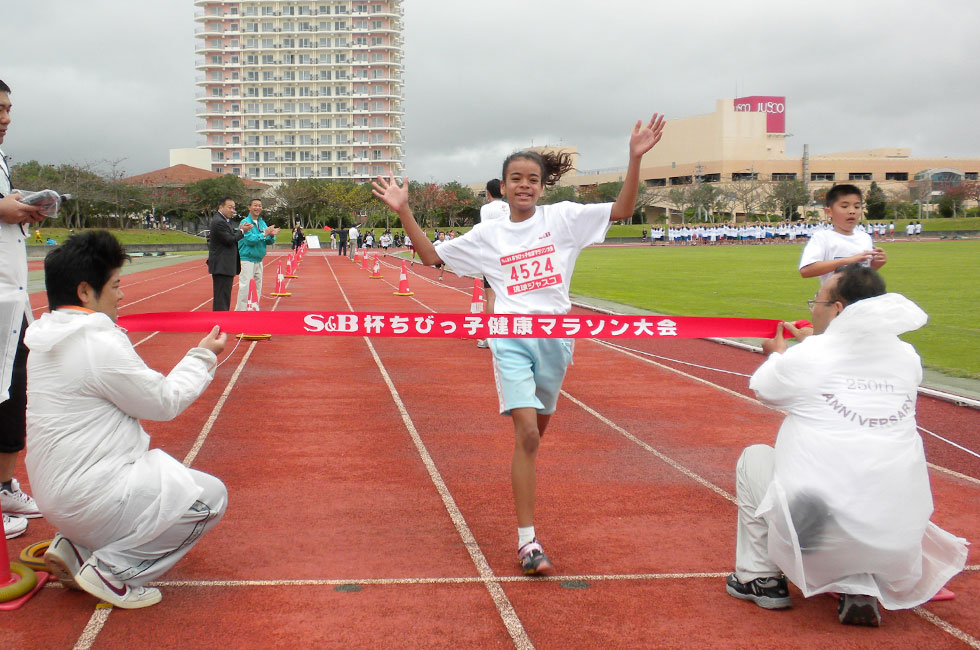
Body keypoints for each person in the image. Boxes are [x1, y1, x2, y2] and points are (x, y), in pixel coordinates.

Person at [373, 112, 666, 575]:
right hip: (509, 336)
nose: (524, 185)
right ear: (503, 187)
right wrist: (404, 210)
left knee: (534, 440)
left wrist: (634, 160)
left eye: (532, 179)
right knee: (526, 433)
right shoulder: (491, 233)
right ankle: (527, 542)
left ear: (542, 186)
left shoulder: (565, 219)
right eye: (516, 179)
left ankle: (525, 506)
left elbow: (622, 210)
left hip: (556, 339)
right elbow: (431, 258)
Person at [727, 265, 968, 627]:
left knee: (755, 458)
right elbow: (847, 369)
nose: (812, 309)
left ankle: (760, 577)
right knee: (864, 476)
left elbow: (765, 388)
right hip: (896, 541)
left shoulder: (810, 356)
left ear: (838, 309)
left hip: (820, 535)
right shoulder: (906, 357)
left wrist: (777, 353)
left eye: (817, 301)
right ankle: (861, 581)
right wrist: (813, 343)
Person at [24, 231, 228, 608]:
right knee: (208, 499)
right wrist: (202, 357)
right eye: (115, 285)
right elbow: (163, 402)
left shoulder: (44, 336)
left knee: (157, 471)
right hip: (88, 495)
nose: (121, 295)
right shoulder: (96, 342)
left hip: (54, 493)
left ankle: (75, 545)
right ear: (85, 292)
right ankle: (114, 570)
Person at [0, 79, 47, 539]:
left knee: (12, 395)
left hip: (13, 297)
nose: (5, 117)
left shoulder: (0, 159)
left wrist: (23, 207)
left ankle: (4, 485)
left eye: (9, 109)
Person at [799, 184, 886, 285]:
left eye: (857, 206)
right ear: (829, 212)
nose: (852, 211)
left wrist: (876, 264)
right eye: (844, 206)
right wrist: (848, 261)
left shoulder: (865, 238)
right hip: (834, 298)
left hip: (862, 299)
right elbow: (806, 270)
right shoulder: (822, 238)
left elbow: (863, 273)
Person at [475, 179, 510, 349]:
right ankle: (512, 336)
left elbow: (485, 232)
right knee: (511, 297)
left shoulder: (486, 209)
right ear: (502, 190)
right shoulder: (509, 207)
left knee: (491, 298)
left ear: (488, 193)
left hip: (492, 256)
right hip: (510, 255)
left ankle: (491, 337)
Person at [207, 196, 251, 311]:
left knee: (224, 297)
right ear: (220, 207)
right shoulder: (218, 222)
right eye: (230, 207)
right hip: (222, 266)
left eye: (234, 208)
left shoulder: (224, 221)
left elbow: (230, 235)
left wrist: (239, 230)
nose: (233, 210)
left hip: (225, 266)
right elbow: (229, 239)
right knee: (221, 299)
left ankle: (221, 322)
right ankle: (219, 323)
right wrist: (242, 231)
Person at [236, 198, 279, 311]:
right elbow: (249, 240)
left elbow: (268, 241)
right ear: (249, 207)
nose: (257, 208)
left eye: (259, 205)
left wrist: (271, 235)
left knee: (257, 287)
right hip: (247, 259)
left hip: (258, 259)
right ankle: (240, 312)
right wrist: (264, 234)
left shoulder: (262, 222)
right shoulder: (245, 222)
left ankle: (254, 308)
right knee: (245, 287)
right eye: (255, 205)